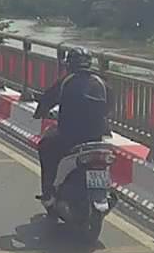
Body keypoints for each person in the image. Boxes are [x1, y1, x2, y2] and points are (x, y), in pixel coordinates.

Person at [32, 47, 110, 203]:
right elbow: (109, 107)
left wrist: (40, 112)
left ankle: (48, 191)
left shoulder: (66, 82)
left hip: (69, 137)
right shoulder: (101, 83)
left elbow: (47, 100)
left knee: (45, 146)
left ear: (69, 64)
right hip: (96, 138)